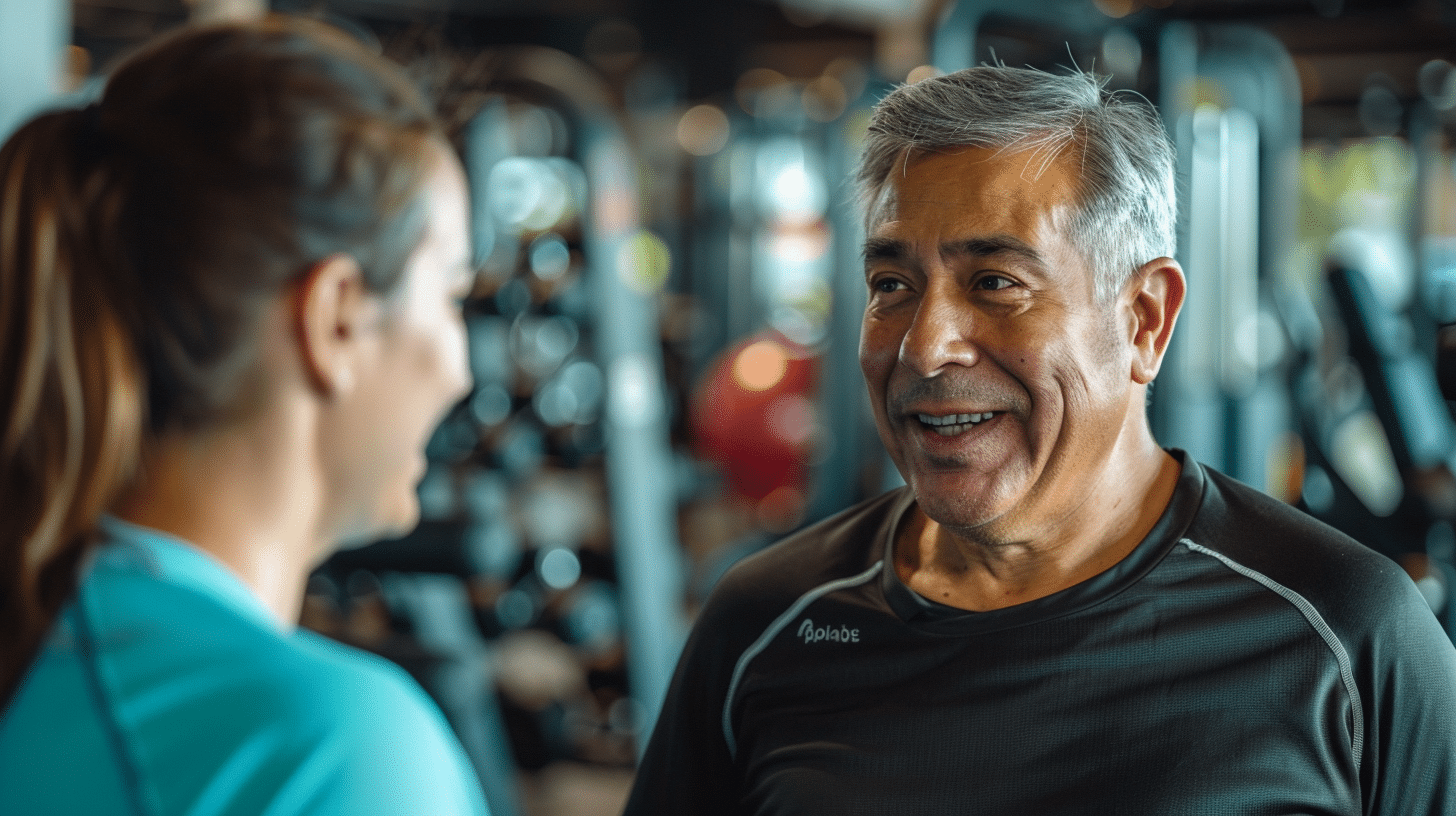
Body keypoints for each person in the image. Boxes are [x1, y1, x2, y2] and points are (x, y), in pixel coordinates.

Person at [624, 66, 1456, 815]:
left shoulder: (1346, 635)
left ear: (1144, 320)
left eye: (995, 283)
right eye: (892, 285)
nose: (924, 345)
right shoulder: (767, 621)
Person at [0, 17, 490, 815]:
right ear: (334, 318)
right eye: (451, 296)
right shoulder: (332, 747)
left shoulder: (55, 652)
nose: (461, 370)